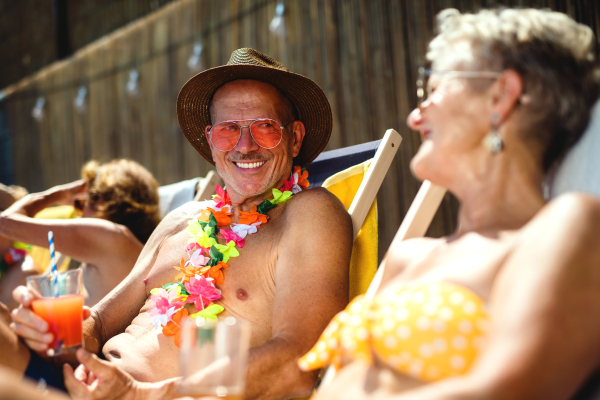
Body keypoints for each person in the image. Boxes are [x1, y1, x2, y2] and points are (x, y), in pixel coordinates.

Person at [7, 48, 353, 399]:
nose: (245, 146)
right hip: (76, 383)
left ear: (294, 138)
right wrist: (49, 331)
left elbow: (300, 363)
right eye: (228, 130)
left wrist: (141, 393)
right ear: (210, 140)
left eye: (264, 128)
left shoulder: (309, 215)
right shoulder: (181, 220)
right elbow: (96, 324)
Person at [299, 8, 600, 400]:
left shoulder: (565, 228)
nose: (413, 116)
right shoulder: (408, 256)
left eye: (433, 89)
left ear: (500, 95)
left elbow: (510, 389)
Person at [0, 159, 160, 308]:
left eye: (81, 203)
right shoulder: (131, 249)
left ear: (100, 201)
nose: (79, 213)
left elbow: (5, 222)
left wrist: (58, 194)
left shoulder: (109, 237)